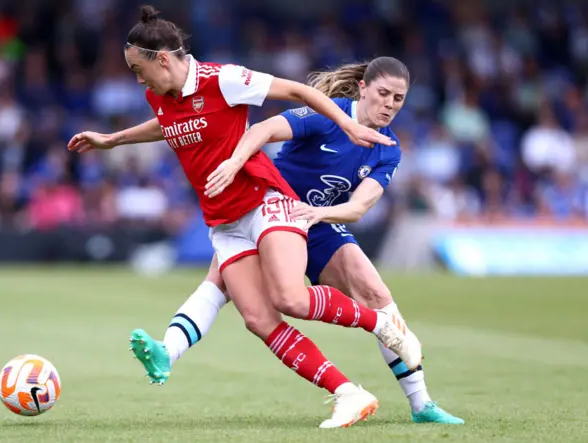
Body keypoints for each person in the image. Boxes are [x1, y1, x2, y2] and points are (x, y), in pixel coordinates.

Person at [68, 5, 422, 429]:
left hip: (264, 199)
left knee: (289, 297)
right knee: (257, 318)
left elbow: (301, 93)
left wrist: (345, 127)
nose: (137, 79)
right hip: (223, 219)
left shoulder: (225, 78)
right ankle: (349, 393)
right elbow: (168, 123)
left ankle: (380, 322)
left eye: (138, 69)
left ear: (163, 58)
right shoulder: (159, 96)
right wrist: (113, 139)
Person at [144, 58, 464, 425]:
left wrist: (318, 214)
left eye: (399, 98)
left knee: (376, 294)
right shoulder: (326, 115)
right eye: (383, 94)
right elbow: (262, 129)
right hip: (267, 210)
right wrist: (235, 164)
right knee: (227, 291)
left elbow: (359, 207)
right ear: (362, 88)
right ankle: (167, 352)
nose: (390, 104)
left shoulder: (387, 148)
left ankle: (421, 403)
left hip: (318, 222)